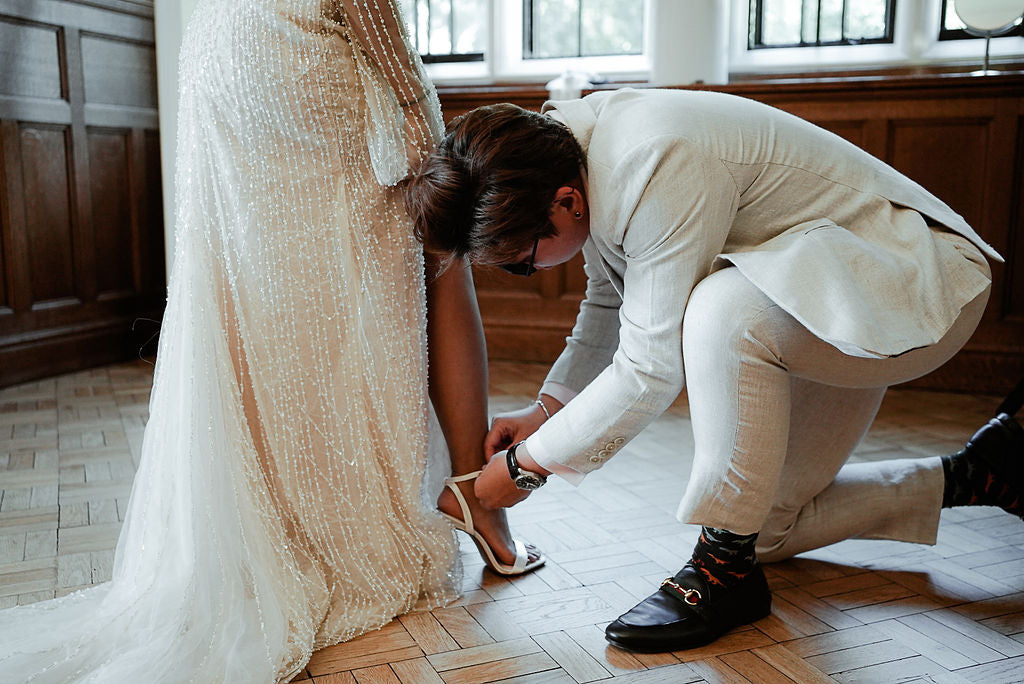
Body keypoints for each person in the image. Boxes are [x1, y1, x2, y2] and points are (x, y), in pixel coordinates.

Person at [0, 1, 540, 681]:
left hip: (222, 47)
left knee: (269, 292)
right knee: (438, 240)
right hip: (298, 43)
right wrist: (417, 114)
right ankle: (474, 496)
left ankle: (288, 529)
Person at [404, 89, 1024, 654]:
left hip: (911, 280)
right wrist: (546, 412)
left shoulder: (654, 159)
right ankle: (982, 473)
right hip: (814, 295)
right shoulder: (566, 161)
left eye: (518, 263)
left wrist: (524, 470)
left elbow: (650, 368)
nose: (529, 274)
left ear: (564, 202)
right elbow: (609, 301)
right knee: (773, 529)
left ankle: (722, 568)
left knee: (719, 311)